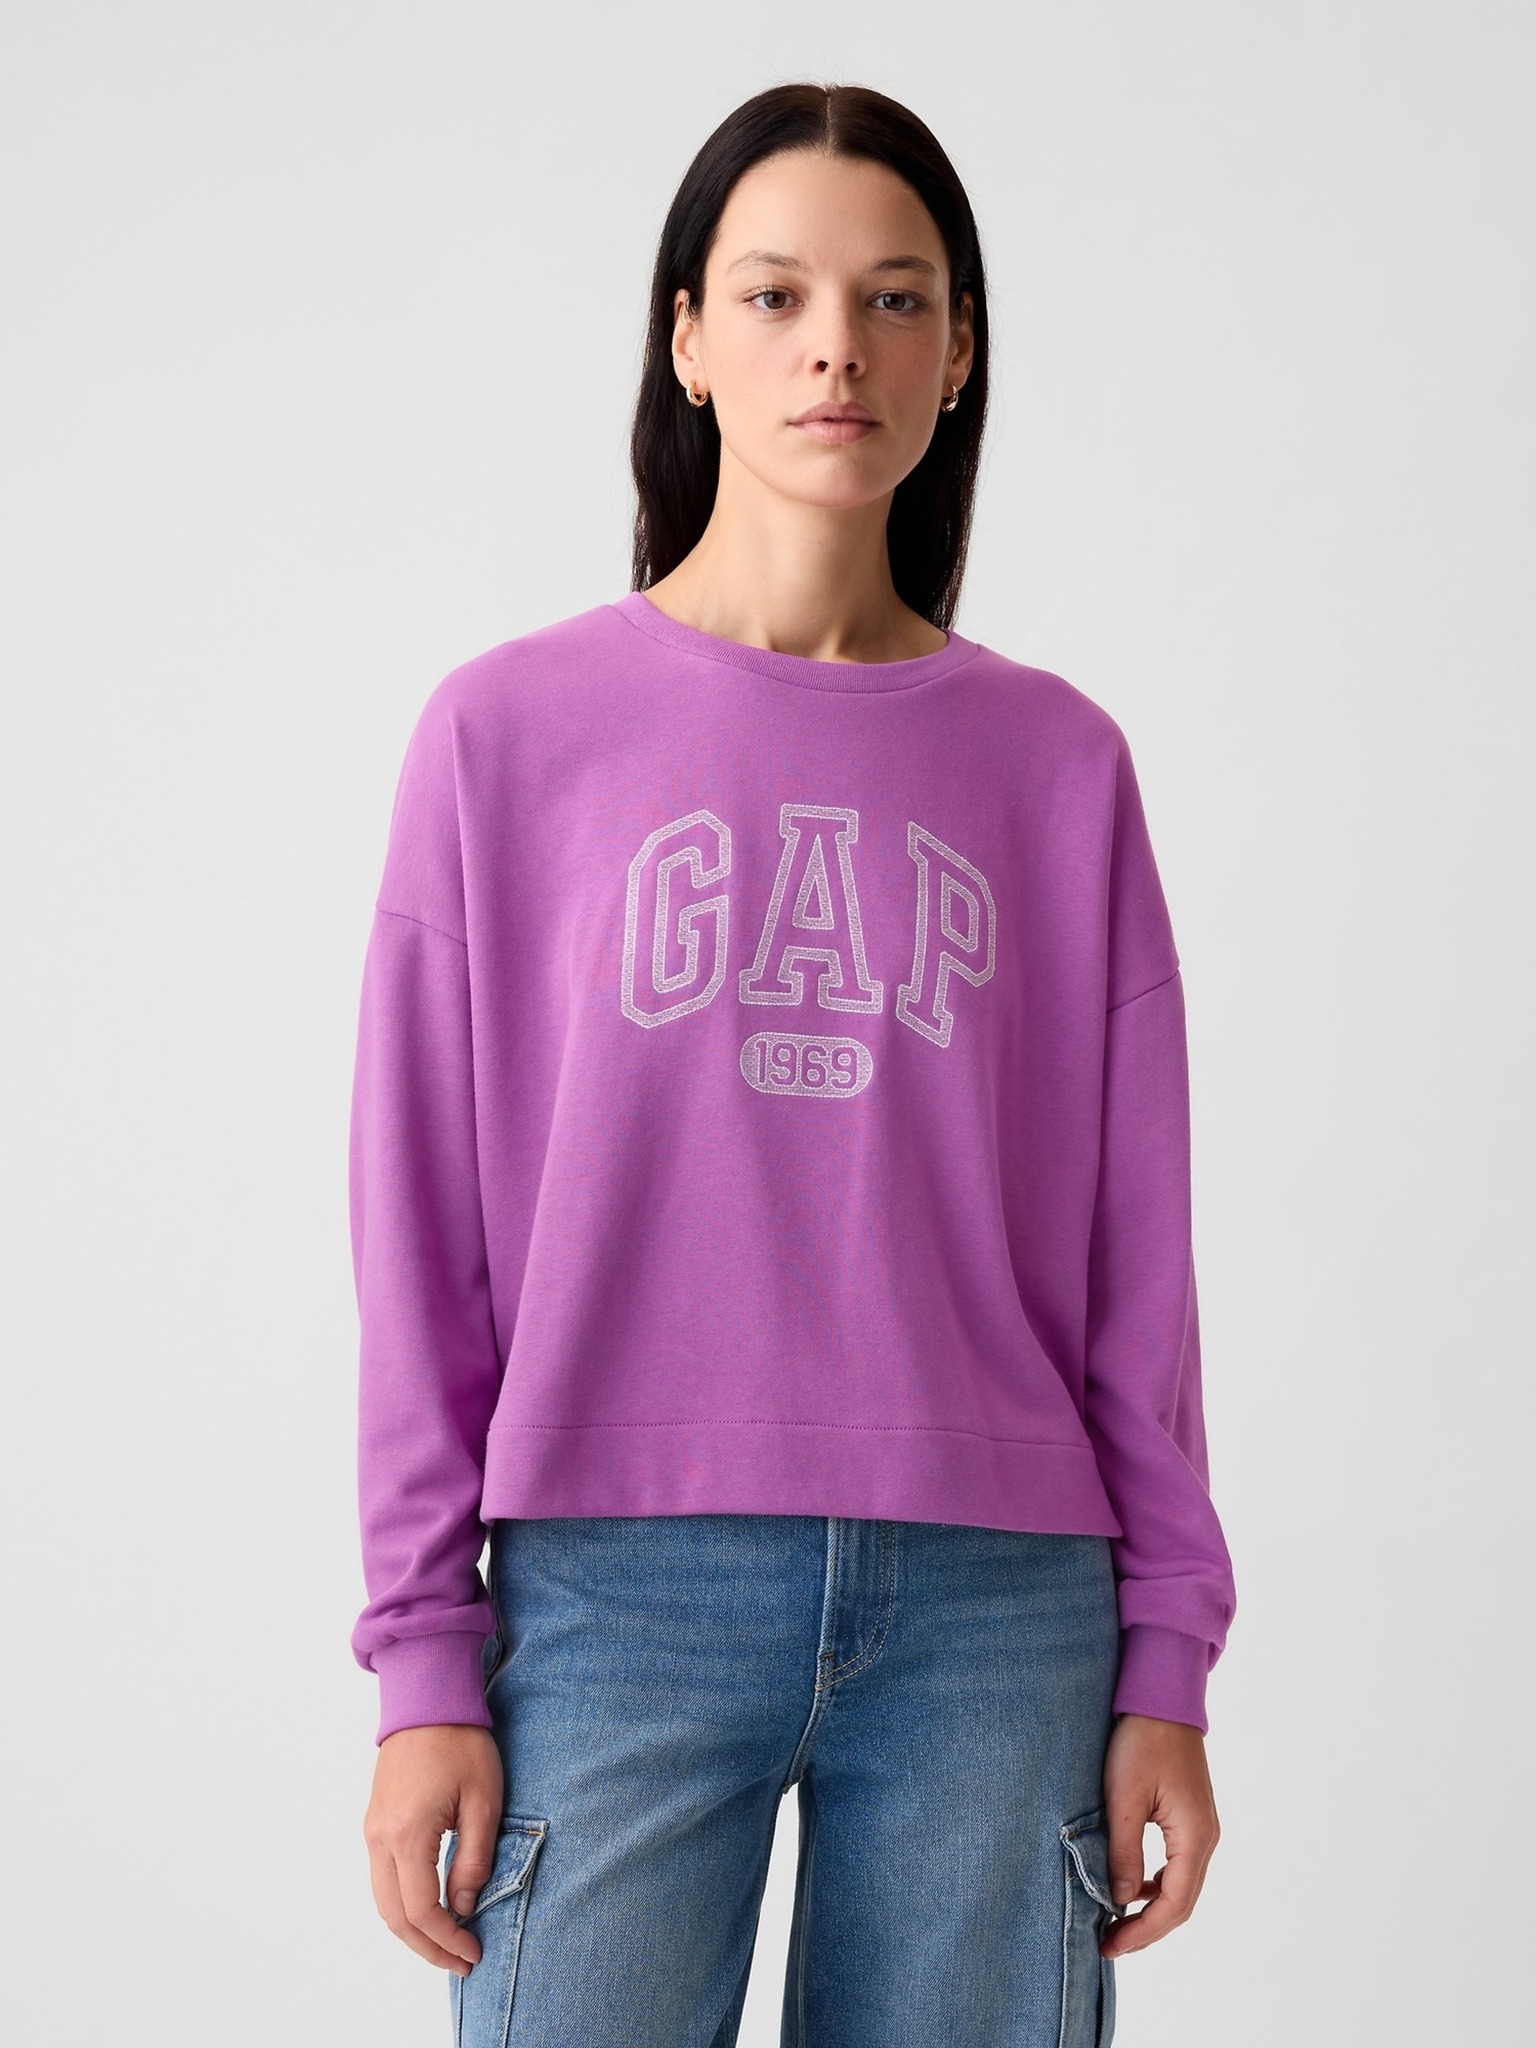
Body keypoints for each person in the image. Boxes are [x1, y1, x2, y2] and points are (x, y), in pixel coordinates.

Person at [349, 80, 1236, 2048]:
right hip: (613, 1594)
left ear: (958, 352)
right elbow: (420, 1232)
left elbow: (1140, 1257)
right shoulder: (506, 737)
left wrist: (1168, 1654)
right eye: (775, 295)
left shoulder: (1059, 765)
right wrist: (422, 1657)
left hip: (1004, 1610)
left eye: (896, 299)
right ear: (687, 338)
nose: (838, 346)